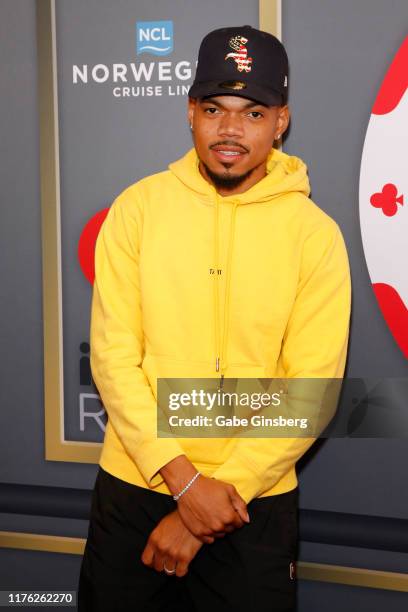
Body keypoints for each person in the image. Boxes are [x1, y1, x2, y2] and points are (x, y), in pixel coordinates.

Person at [78, 25, 351, 611]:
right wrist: (185, 482)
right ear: (190, 113)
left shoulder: (315, 236)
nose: (230, 130)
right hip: (138, 486)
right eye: (214, 109)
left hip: (252, 501)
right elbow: (113, 357)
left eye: (253, 113)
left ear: (281, 121)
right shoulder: (137, 209)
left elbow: (312, 390)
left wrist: (211, 504)